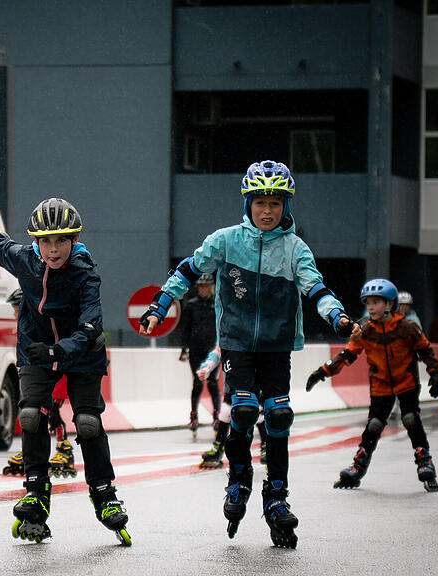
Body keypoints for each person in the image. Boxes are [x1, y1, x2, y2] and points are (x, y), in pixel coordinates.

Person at [139, 160, 359, 549]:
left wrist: (339, 318)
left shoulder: (295, 248)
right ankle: (238, 480)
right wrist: (159, 306)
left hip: (276, 346)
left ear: (286, 207)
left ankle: (275, 498)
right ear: (248, 203)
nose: (268, 211)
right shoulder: (225, 241)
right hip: (237, 343)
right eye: (260, 202)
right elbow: (187, 271)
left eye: (276, 203)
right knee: (241, 410)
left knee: (278, 415)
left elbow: (316, 289)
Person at [0, 198, 131, 546]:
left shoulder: (84, 273)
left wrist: (58, 350)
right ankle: (36, 492)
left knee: (88, 421)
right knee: (32, 415)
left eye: (61, 240)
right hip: (34, 348)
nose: (53, 250)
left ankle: (104, 494)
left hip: (81, 352)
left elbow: (92, 327)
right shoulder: (24, 259)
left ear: (74, 240)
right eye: (46, 241)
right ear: (35, 242)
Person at [306, 278, 438, 493]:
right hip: (380, 385)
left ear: (390, 304)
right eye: (368, 303)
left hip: (406, 382)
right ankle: (358, 468)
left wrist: (434, 374)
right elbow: (347, 354)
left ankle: (425, 462)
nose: (370, 307)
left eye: (376, 302)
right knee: (374, 425)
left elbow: (425, 350)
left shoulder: (407, 327)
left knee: (410, 418)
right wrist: (322, 372)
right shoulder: (366, 330)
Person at [1, 289, 75, 479]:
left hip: (55, 372)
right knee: (32, 413)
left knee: (53, 411)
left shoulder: (39, 323)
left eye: (15, 309)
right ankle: (30, 451)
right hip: (36, 375)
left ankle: (63, 448)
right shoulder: (23, 326)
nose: (13, 313)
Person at [195, 347, 270, 470]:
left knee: (256, 410)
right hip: (233, 374)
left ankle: (266, 445)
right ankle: (218, 447)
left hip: (253, 369)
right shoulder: (225, 329)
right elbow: (218, 349)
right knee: (225, 411)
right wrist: (206, 368)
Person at [176, 273, 220, 439]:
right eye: (201, 286)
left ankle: (217, 415)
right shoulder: (191, 305)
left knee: (212, 382)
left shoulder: (216, 304)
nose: (203, 289)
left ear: (210, 287)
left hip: (212, 349)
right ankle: (194, 414)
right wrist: (183, 348)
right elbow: (185, 329)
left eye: (206, 286)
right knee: (197, 382)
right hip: (195, 348)